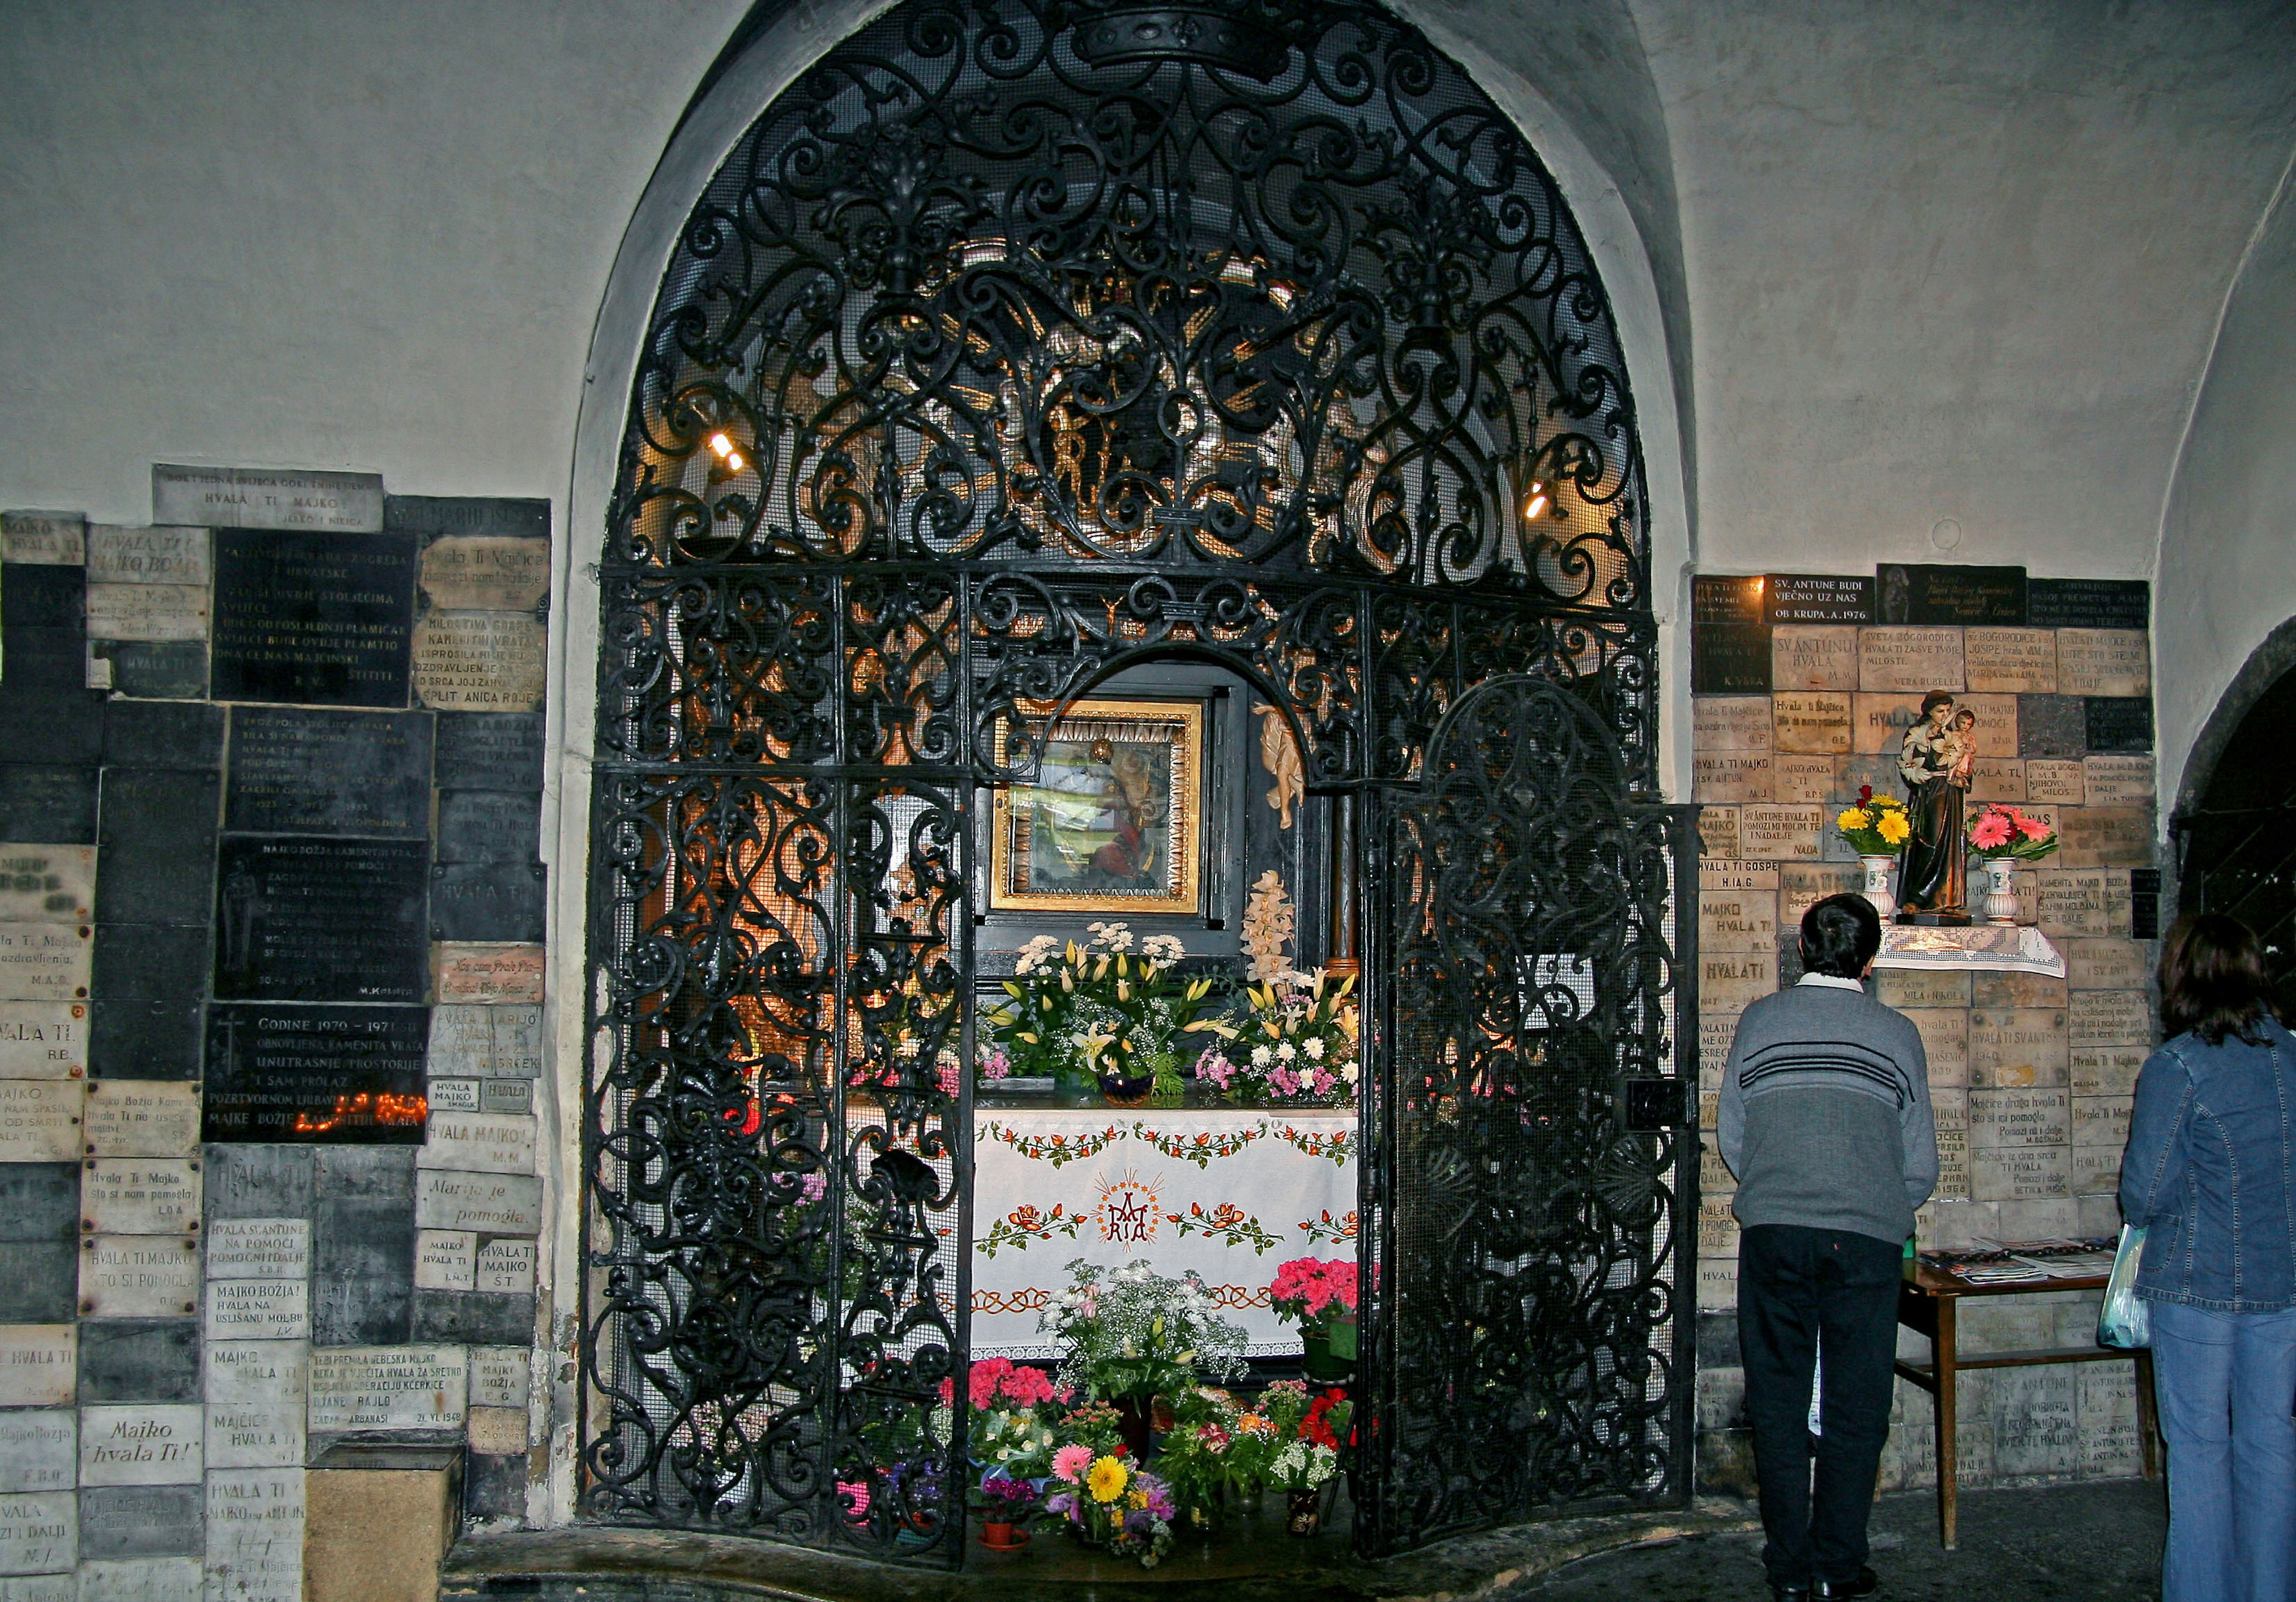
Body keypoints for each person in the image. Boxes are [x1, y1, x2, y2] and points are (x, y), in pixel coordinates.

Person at [1719, 893, 1937, 1601]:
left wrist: (1781, 1185)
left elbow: (1734, 1138)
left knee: (1778, 1401)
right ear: (1869, 961)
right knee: (1857, 1405)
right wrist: (1879, 1200)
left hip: (1775, 1233)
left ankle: (1787, 1568)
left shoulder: (1760, 1022)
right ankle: (1838, 1564)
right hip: (1866, 1239)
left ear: (1804, 952)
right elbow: (1920, 1162)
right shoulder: (1897, 1035)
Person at [2119, 913, 2296, 1602]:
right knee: (2271, 1445)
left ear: (2182, 976)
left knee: (2196, 1452)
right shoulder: (2291, 1057)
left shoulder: (2179, 1066)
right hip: (2282, 1280)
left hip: (2196, 1282)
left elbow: (2145, 1193)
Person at [1894, 690, 1968, 921]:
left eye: (1947, 711)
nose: (1944, 715)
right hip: (1929, 791)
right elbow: (1913, 762)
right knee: (1930, 840)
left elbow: (1958, 759)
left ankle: (1946, 899)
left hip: (1950, 792)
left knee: (1950, 844)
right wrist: (1934, 741)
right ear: (1928, 711)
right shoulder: (1918, 733)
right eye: (1939, 711)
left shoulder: (1953, 734)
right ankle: (1916, 898)